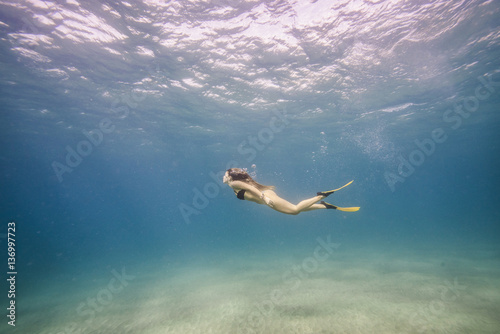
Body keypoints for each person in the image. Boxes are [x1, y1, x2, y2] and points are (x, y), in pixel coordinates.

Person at [223, 168, 360, 215]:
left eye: (225, 174)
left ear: (230, 177)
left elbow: (251, 188)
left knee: (294, 210)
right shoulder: (234, 183)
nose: (223, 176)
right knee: (295, 208)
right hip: (267, 196)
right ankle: (324, 205)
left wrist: (263, 198)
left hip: (266, 197)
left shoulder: (234, 183)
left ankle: (320, 196)